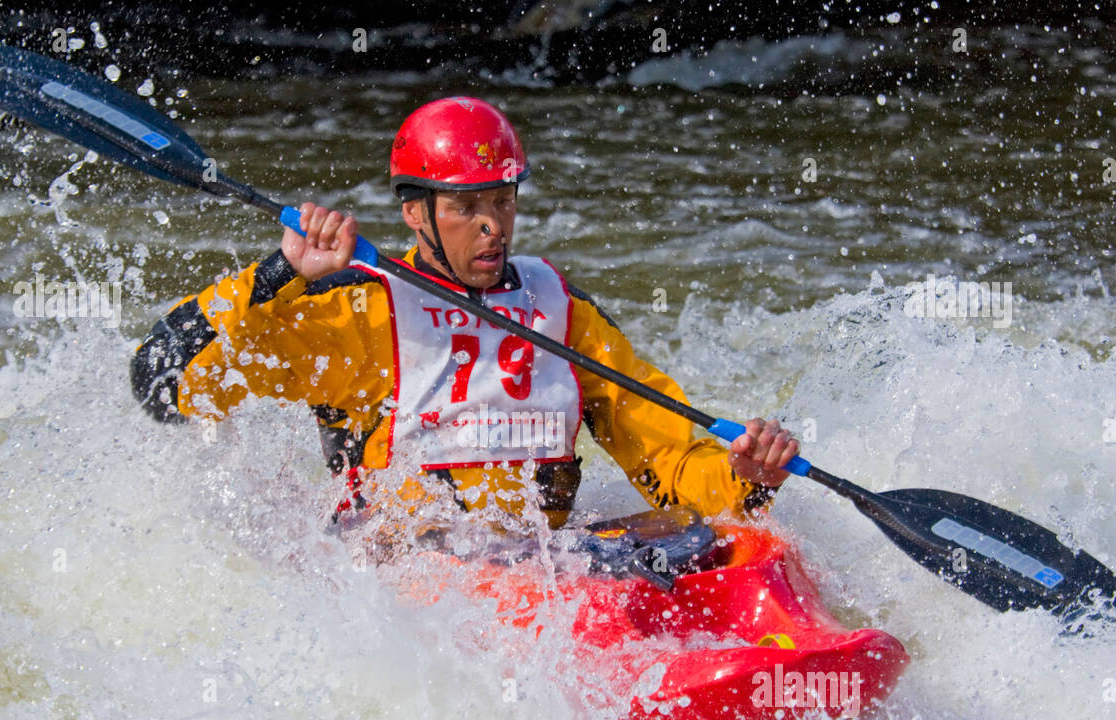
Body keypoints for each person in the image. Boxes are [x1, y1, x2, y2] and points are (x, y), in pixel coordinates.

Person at [130, 96, 799, 534]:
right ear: (415, 213)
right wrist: (275, 275)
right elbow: (162, 384)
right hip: (414, 584)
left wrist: (747, 482)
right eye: (465, 207)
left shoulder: (562, 313)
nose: (491, 225)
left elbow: (673, 463)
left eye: (502, 200)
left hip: (542, 572)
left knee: (696, 535)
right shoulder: (361, 313)